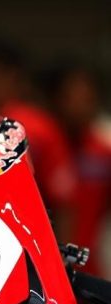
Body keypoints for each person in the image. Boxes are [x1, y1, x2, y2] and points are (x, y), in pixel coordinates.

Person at [0, 41, 78, 241]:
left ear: (11, 77)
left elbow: (63, 202)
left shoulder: (33, 128)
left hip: (23, 241)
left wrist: (59, 254)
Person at [45, 65, 111, 279]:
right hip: (45, 270)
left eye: (86, 99)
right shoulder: (39, 148)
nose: (78, 108)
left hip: (90, 272)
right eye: (70, 98)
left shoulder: (104, 152)